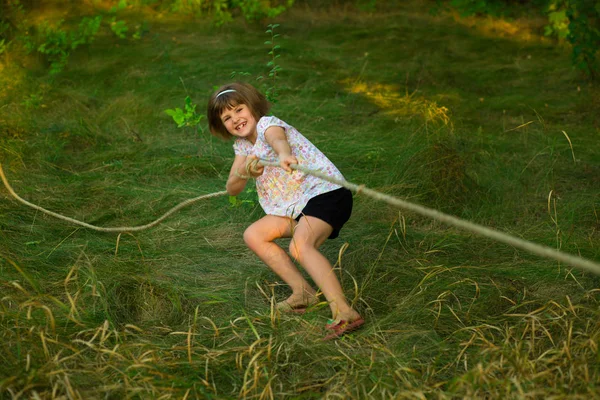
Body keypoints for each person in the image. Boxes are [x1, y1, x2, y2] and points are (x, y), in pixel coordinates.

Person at [206, 82, 364, 339]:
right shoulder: (243, 148)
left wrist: (284, 154)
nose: (235, 119)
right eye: (227, 117)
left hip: (326, 193)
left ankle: (345, 312)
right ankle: (303, 293)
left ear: (252, 107)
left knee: (300, 246)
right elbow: (232, 187)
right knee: (254, 235)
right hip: (296, 206)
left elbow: (277, 140)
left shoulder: (268, 124)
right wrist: (243, 171)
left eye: (239, 110)